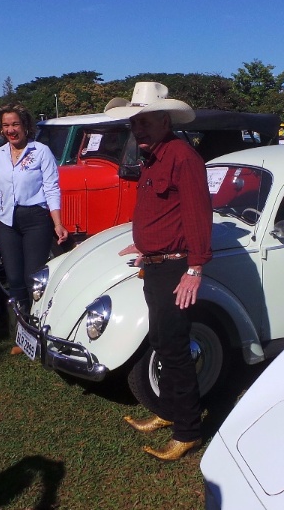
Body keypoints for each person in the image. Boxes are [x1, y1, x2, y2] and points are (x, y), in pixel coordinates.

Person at [108, 82, 212, 461]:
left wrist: (195, 268)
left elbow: (198, 215)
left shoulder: (182, 157)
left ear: (165, 120)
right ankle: (169, 411)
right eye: (135, 123)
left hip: (175, 268)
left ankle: (187, 431)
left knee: (175, 348)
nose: (139, 129)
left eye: (146, 121)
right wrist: (145, 243)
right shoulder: (155, 156)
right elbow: (163, 214)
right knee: (161, 341)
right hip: (156, 264)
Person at [0, 104, 68, 312]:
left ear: (25, 126)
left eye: (15, 124)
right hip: (6, 222)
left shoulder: (41, 152)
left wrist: (57, 223)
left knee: (33, 277)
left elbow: (51, 188)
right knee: (13, 278)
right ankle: (21, 329)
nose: (11, 130)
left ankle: (38, 321)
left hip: (35, 220)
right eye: (6, 125)